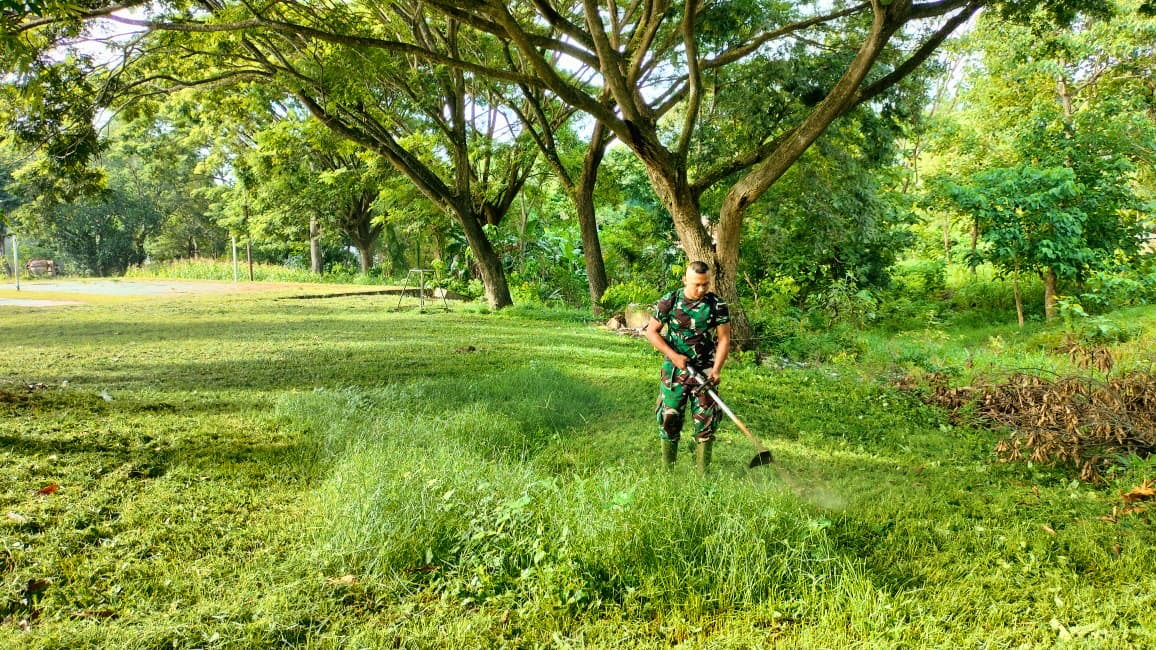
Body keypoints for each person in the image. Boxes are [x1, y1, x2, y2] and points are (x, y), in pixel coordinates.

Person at [645, 261, 731, 473]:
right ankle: (668, 473)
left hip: (705, 372)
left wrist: (717, 369)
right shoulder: (670, 301)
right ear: (685, 280)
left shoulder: (716, 304)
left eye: (705, 284)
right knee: (669, 418)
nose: (701, 289)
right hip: (675, 372)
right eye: (696, 284)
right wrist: (673, 356)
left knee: (706, 423)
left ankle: (703, 476)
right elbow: (651, 332)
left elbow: (724, 338)